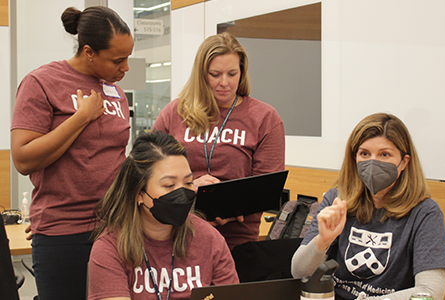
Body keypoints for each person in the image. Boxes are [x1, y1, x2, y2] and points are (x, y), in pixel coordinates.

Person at [10, 6, 133, 300]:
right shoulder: (42, 82)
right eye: (118, 60)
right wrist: (81, 118)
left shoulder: (116, 91)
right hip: (65, 231)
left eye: (128, 57)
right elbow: (23, 158)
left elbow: (115, 158)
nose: (125, 67)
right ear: (89, 52)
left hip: (117, 226)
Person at [291, 113, 445, 300]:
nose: (373, 162)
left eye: (384, 154)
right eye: (364, 154)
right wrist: (322, 241)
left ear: (404, 162)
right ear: (355, 158)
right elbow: (298, 272)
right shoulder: (338, 199)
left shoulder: (425, 213)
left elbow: (430, 292)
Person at [152, 32, 285, 249]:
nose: (225, 83)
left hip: (237, 241)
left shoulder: (265, 118)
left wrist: (225, 210)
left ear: (242, 72)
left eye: (232, 74)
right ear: (201, 74)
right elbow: (148, 174)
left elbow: (265, 189)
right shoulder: (175, 112)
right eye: (215, 74)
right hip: (178, 232)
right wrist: (190, 189)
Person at [88, 131, 239, 300]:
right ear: (138, 193)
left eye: (188, 182)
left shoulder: (209, 238)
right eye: (169, 185)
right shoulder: (110, 247)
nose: (181, 193)